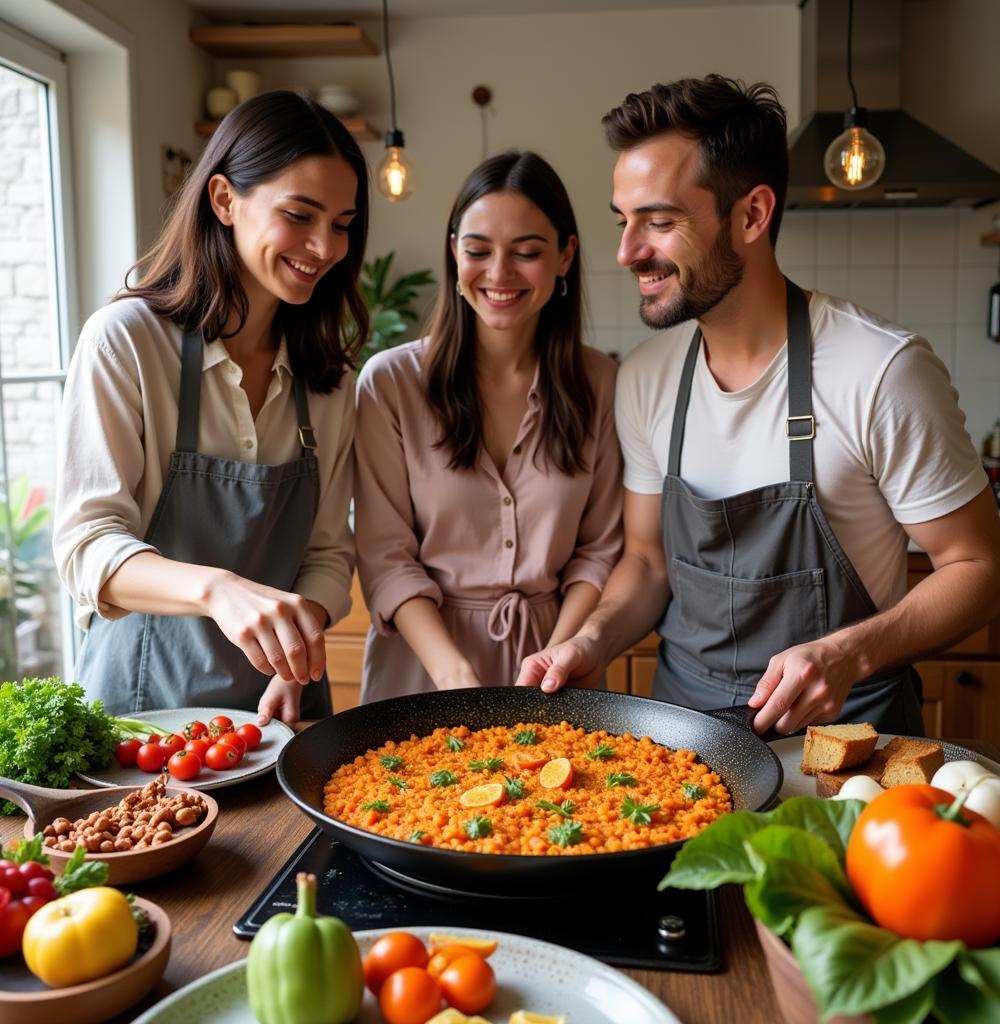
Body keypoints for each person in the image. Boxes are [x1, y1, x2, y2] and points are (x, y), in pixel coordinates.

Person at [517, 75, 1000, 736]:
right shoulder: (645, 375)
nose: (627, 252)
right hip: (681, 743)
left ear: (751, 215)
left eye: (659, 221)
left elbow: (982, 570)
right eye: (623, 220)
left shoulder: (882, 370)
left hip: (848, 743)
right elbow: (646, 561)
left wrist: (849, 652)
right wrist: (592, 640)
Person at [53, 90, 370, 724]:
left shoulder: (329, 379)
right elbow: (87, 547)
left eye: (341, 223)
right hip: (141, 716)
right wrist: (216, 590)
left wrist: (295, 642)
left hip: (281, 713)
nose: (325, 246)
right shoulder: (127, 341)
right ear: (224, 200)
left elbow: (329, 553)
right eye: (300, 215)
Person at [354, 150, 622, 701]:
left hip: (555, 671)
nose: (499, 274)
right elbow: (386, 558)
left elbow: (598, 551)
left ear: (565, 256)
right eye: (478, 251)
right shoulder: (390, 383)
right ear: (454, 252)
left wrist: (554, 658)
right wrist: (454, 677)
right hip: (422, 668)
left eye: (527, 253)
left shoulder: (602, 384)